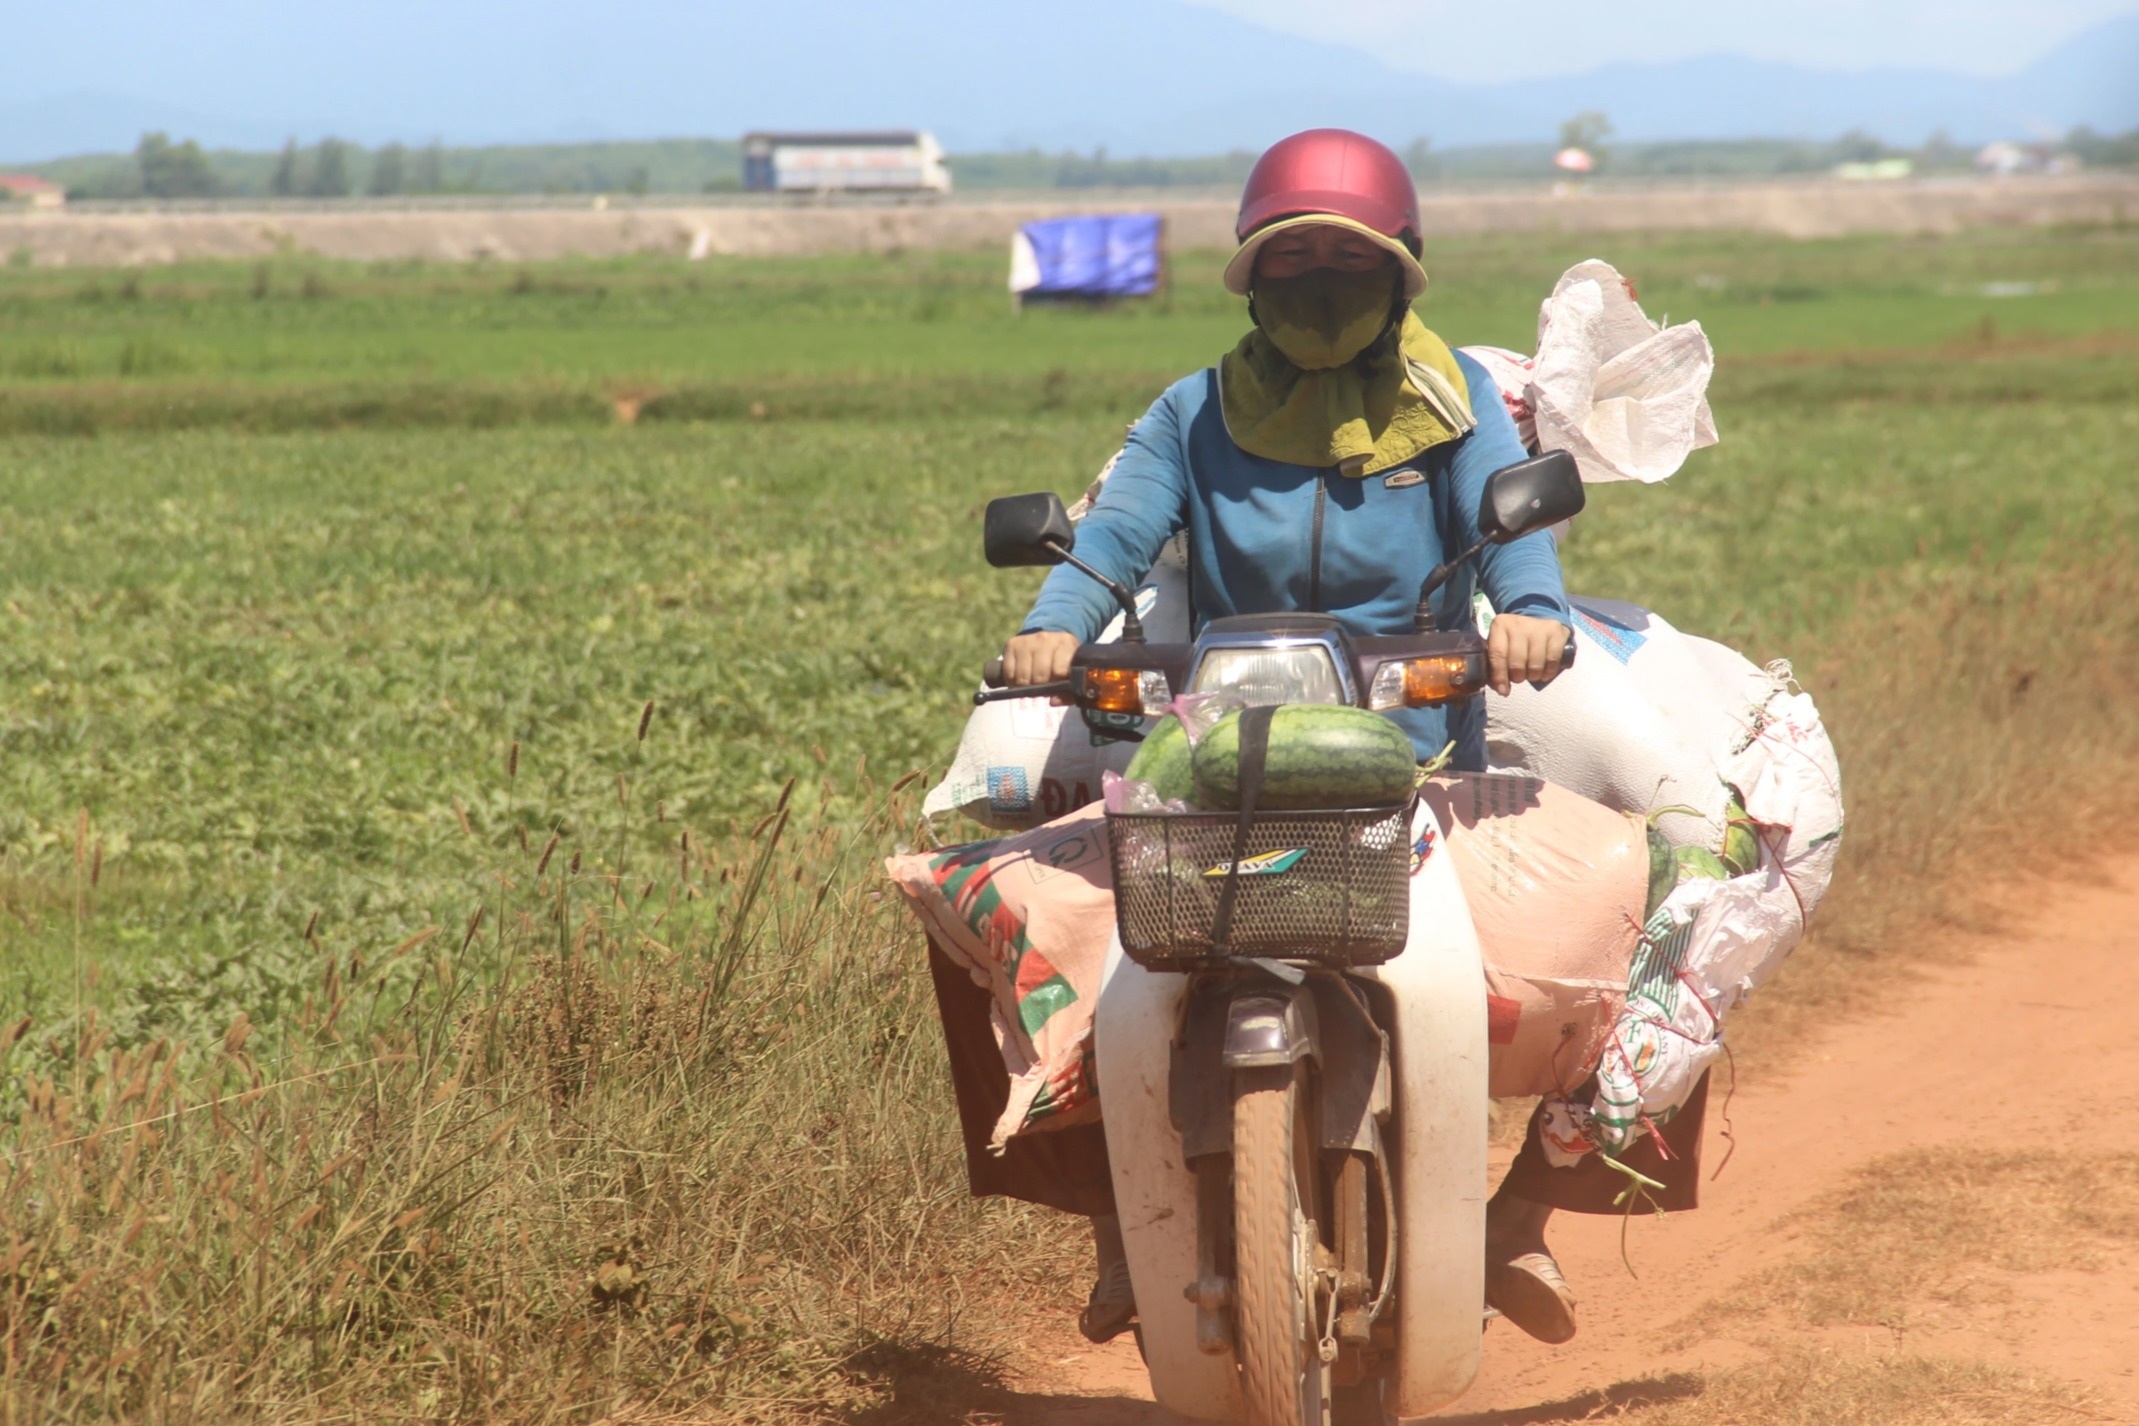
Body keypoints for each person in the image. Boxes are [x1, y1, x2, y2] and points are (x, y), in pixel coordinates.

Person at [963, 128, 1708, 1349]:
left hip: (1417, 767)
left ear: (1399, 272)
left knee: (1653, 892)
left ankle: (1531, 1206)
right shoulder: (1193, 413)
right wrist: (1050, 632)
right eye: (1290, 261)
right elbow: (1107, 546)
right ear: (1252, 278)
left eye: (1343, 264)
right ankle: (1114, 1220)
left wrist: (1525, 618)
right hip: (1216, 764)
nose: (1316, 286)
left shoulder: (1454, 403)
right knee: (1019, 927)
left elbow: (1513, 534)